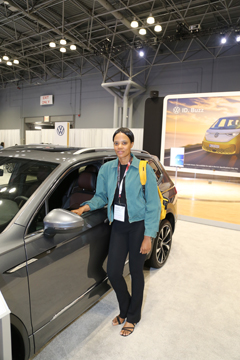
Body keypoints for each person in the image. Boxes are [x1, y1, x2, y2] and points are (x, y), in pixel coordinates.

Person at [72, 127, 161, 336]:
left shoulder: (143, 168)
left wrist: (149, 236)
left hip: (138, 226)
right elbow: (101, 196)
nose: (120, 147)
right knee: (113, 272)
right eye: (116, 143)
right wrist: (85, 207)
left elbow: (153, 205)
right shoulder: (107, 169)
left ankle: (132, 316)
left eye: (124, 142)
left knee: (137, 273)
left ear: (131, 144)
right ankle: (125, 308)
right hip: (118, 227)